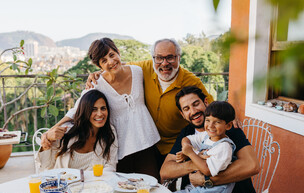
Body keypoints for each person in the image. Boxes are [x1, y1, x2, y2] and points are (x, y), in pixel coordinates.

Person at [41, 38, 161, 179]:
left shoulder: (137, 71)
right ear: (99, 66)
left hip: (147, 141)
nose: (110, 62)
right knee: (124, 190)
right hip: (121, 149)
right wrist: (50, 131)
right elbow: (77, 109)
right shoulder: (97, 83)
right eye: (104, 61)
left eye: (112, 55)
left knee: (152, 185)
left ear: (118, 52)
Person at [85, 39, 214, 167]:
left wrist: (231, 118)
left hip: (175, 147)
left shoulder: (191, 81)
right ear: (153, 58)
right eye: (159, 58)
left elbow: (212, 108)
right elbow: (116, 66)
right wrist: (99, 74)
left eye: (170, 57)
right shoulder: (143, 68)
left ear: (179, 57)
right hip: (148, 143)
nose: (164, 63)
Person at [159, 86, 259, 193]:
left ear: (206, 102)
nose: (193, 111)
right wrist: (195, 162)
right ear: (182, 114)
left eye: (195, 104)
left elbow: (252, 165)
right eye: (186, 108)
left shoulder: (227, 131)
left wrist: (207, 179)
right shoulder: (187, 134)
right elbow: (165, 171)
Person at [35, 90, 118, 172]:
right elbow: (45, 166)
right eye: (94, 109)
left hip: (95, 183)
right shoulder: (66, 131)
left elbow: (110, 165)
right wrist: (46, 143)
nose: (100, 114)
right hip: (64, 183)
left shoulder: (110, 132)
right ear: (85, 111)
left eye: (103, 108)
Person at [176, 101, 237, 193]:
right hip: (198, 187)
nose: (210, 126)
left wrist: (190, 153)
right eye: (208, 120)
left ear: (228, 125)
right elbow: (187, 139)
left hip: (213, 192)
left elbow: (207, 170)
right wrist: (186, 148)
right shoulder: (206, 136)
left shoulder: (224, 147)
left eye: (217, 122)